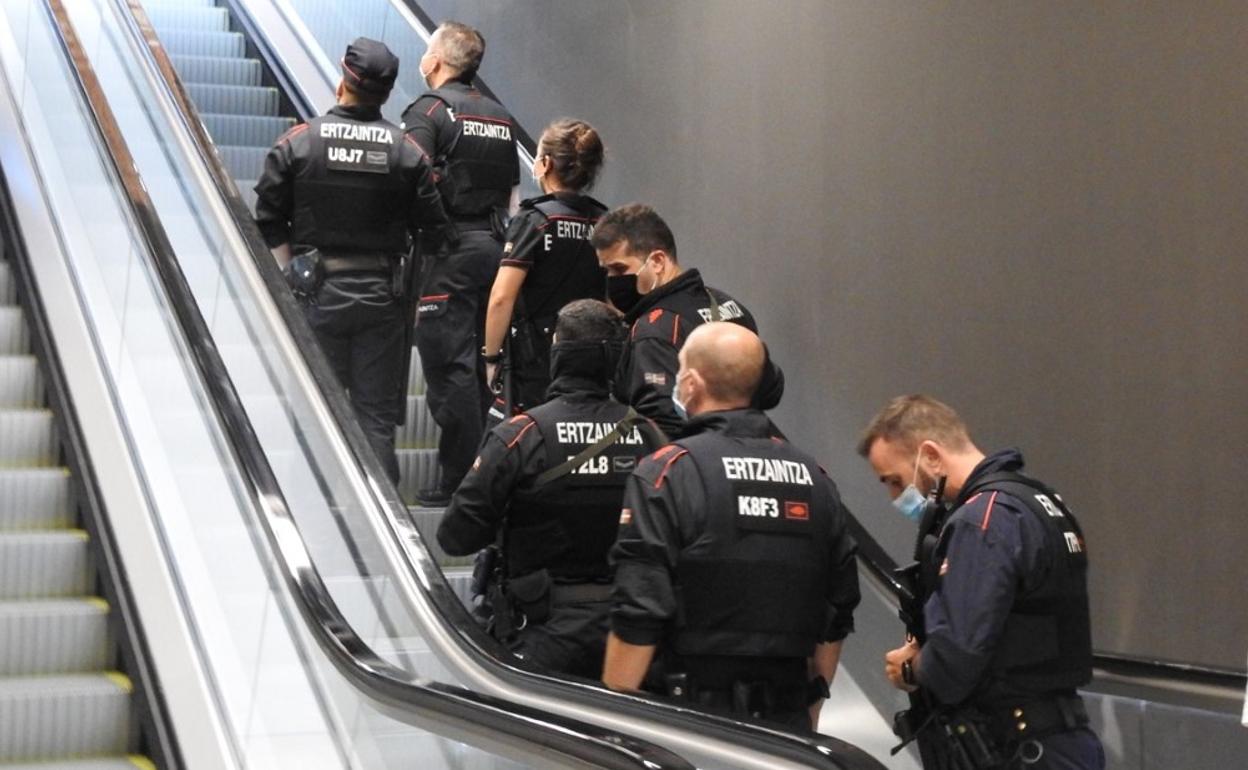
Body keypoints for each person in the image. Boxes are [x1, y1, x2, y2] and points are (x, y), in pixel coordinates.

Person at [603, 322, 859, 732]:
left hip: (688, 722)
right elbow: (838, 609)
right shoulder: (816, 478)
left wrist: (615, 726)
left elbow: (639, 611)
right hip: (785, 720)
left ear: (690, 383)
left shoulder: (667, 473)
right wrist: (809, 713)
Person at [858, 395, 1104, 769]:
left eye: (895, 481)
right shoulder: (1039, 501)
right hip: (1059, 738)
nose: (895, 497)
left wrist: (912, 668)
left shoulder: (981, 521)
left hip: (1014, 746)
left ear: (931, 456)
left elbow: (956, 660)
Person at [254, 37, 450, 483]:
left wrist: (291, 272)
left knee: (309, 411)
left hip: (315, 296)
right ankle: (384, 526)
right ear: (386, 92)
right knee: (375, 420)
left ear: (342, 79)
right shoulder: (405, 152)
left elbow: (266, 217)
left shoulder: (299, 143)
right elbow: (436, 230)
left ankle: (310, 512)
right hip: (382, 299)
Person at [437, 300, 665, 678]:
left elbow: (455, 537)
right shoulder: (650, 437)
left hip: (541, 632)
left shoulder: (520, 436)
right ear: (618, 361)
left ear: (557, 353)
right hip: (630, 637)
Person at [401, 21, 520, 505]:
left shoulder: (429, 110)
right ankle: (479, 472)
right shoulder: (500, 116)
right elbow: (512, 194)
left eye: (428, 50)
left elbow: (411, 175)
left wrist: (433, 231)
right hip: (493, 248)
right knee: (476, 368)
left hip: (449, 251)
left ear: (437, 60)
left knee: (449, 366)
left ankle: (459, 482)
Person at [590, 204, 784, 436]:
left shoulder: (655, 329)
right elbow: (770, 389)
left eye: (619, 269)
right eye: (607, 271)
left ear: (658, 261)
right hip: (751, 450)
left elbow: (661, 425)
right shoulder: (729, 305)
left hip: (698, 464)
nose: (612, 280)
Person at [482, 119, 608, 418]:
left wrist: (491, 357)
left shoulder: (535, 219)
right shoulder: (603, 221)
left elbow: (502, 296)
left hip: (535, 358)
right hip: (591, 354)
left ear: (546, 163)